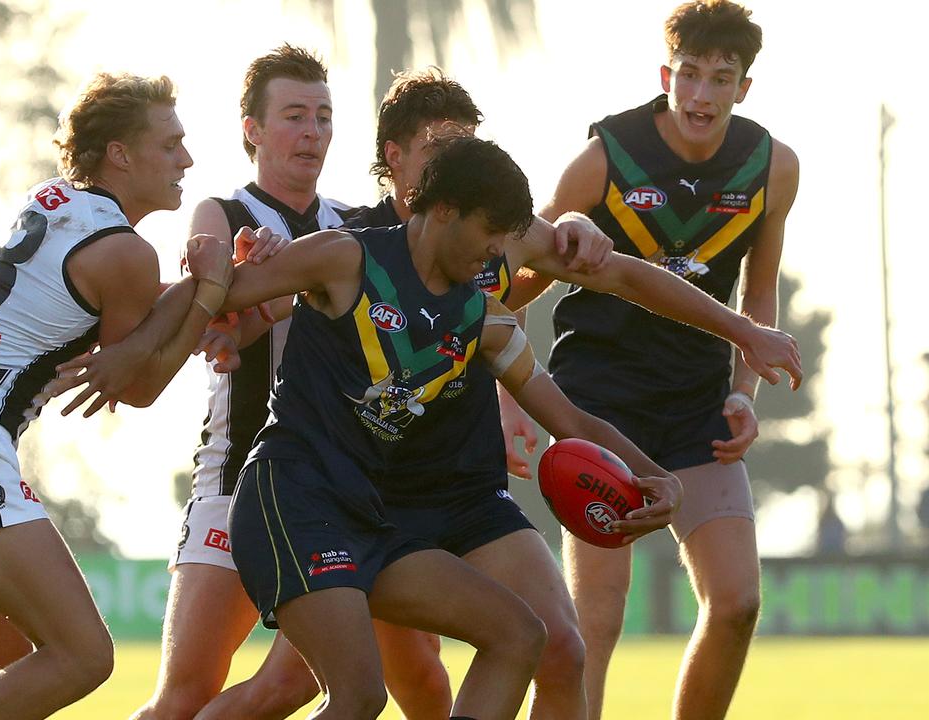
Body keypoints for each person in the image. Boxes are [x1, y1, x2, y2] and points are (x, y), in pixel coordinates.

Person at [206, 67, 802, 720]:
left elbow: (617, 284)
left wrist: (740, 329)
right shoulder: (358, 241)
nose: (461, 161)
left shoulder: (498, 234)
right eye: (441, 149)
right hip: (351, 491)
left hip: (460, 488)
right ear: (396, 159)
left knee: (550, 645)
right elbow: (250, 296)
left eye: (470, 146)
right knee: (327, 690)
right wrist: (227, 293)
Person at [68, 135, 690, 720]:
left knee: (521, 635)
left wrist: (656, 478)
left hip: (374, 518)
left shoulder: (485, 320)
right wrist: (133, 352)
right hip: (293, 499)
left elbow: (572, 420)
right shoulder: (346, 255)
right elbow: (219, 287)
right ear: (444, 210)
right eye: (490, 231)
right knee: (358, 697)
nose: (499, 251)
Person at [0, 72, 241, 720]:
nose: (186, 159)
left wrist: (200, 285)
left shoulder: (55, 203)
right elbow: (140, 383)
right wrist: (208, 290)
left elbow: (129, 326)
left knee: (7, 669)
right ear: (120, 153)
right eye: (170, 143)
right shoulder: (124, 250)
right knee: (84, 655)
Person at [535, 3, 802, 718]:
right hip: (599, 402)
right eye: (690, 74)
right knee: (598, 615)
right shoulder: (604, 156)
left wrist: (744, 394)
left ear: (744, 87)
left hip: (696, 405)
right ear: (666, 75)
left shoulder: (772, 166)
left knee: (738, 601)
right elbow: (522, 268)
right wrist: (567, 225)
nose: (702, 95)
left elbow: (761, 290)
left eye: (722, 78)